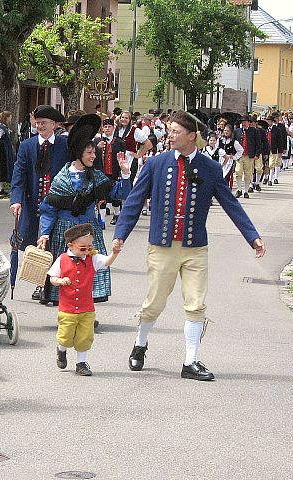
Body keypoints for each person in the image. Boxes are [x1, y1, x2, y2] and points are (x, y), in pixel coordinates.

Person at [112, 111, 266, 381]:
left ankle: (190, 361)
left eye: (175, 132)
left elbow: (231, 204)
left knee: (196, 304)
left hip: (195, 247)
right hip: (162, 246)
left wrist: (252, 236)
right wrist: (120, 234)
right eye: (170, 131)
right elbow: (135, 201)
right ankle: (140, 343)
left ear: (192, 136)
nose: (169, 136)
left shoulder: (210, 168)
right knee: (155, 302)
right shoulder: (156, 164)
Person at [38, 114, 131, 308]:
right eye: (89, 153)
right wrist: (45, 233)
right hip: (64, 233)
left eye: (94, 153)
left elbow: (119, 193)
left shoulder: (96, 176)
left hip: (89, 232)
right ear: (79, 153)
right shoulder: (61, 178)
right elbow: (49, 208)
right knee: (67, 275)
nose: (93, 156)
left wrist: (125, 172)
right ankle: (68, 312)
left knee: (89, 272)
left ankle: (86, 312)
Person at [10, 104, 69, 302]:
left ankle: (51, 285)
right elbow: (19, 175)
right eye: (38, 123)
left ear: (54, 124)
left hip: (58, 206)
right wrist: (16, 200)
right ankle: (39, 284)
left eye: (44, 123)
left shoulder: (64, 145)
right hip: (33, 205)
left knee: (56, 245)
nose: (40, 126)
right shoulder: (27, 146)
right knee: (38, 246)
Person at [48, 223, 119, 376]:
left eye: (89, 247)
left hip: (87, 308)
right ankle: (61, 350)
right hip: (67, 308)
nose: (87, 250)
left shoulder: (92, 258)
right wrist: (60, 281)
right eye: (83, 248)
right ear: (71, 246)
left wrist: (115, 253)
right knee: (66, 336)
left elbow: (106, 262)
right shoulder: (62, 259)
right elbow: (52, 278)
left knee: (85, 337)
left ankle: (81, 363)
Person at [97, 118, 127, 224]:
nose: (107, 129)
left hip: (114, 173)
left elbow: (122, 158)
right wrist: (97, 148)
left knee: (115, 197)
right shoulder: (99, 141)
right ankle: (102, 220)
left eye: (109, 127)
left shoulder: (119, 142)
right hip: (102, 174)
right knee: (102, 197)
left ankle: (117, 214)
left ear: (113, 128)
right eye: (105, 127)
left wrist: (121, 173)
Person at [233, 115, 261, 199]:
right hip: (239, 155)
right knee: (238, 172)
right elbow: (233, 143)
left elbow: (258, 144)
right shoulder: (237, 131)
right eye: (242, 122)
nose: (244, 124)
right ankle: (239, 189)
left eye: (245, 122)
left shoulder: (255, 131)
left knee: (248, 174)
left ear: (249, 123)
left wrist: (257, 154)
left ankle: (245, 190)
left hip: (249, 155)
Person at [0, 110, 15, 194]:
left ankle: (0, 188)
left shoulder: (3, 126)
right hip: (1, 151)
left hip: (4, 149)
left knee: (2, 169)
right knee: (0, 168)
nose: (10, 120)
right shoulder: (0, 127)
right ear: (6, 118)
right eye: (10, 118)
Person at [268, 112, 287, 185]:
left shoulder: (281, 127)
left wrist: (283, 148)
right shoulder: (268, 128)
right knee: (270, 164)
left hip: (277, 147)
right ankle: (269, 178)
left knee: (277, 163)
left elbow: (283, 138)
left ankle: (275, 177)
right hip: (269, 147)